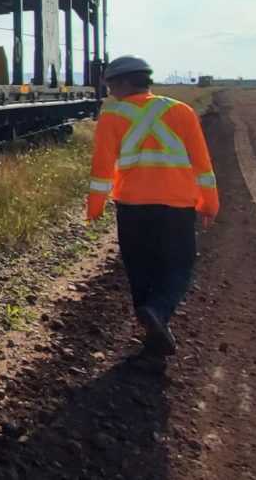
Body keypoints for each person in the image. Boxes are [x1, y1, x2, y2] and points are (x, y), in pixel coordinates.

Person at [85, 55, 218, 358]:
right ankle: (157, 315)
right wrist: (209, 203)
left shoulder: (112, 116)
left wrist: (95, 207)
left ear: (123, 83)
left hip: (132, 207)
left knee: (140, 271)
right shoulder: (181, 111)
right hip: (177, 206)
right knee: (177, 269)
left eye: (111, 86)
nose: (110, 92)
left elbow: (102, 168)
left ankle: (152, 326)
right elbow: (202, 164)